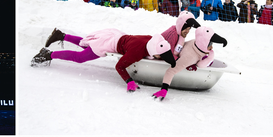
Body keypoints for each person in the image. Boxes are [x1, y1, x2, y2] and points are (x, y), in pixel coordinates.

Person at [32, 29, 177, 92]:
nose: (159, 59)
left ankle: (61, 35)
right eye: (160, 57)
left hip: (115, 35)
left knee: (86, 43)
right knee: (80, 57)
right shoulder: (136, 53)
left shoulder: (151, 39)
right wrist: (129, 81)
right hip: (108, 44)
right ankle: (48, 54)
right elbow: (119, 66)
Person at [151, 26, 227, 100]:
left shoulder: (196, 42)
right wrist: (164, 90)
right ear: (204, 45)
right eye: (210, 45)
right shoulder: (189, 58)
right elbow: (170, 71)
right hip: (160, 52)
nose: (212, 48)